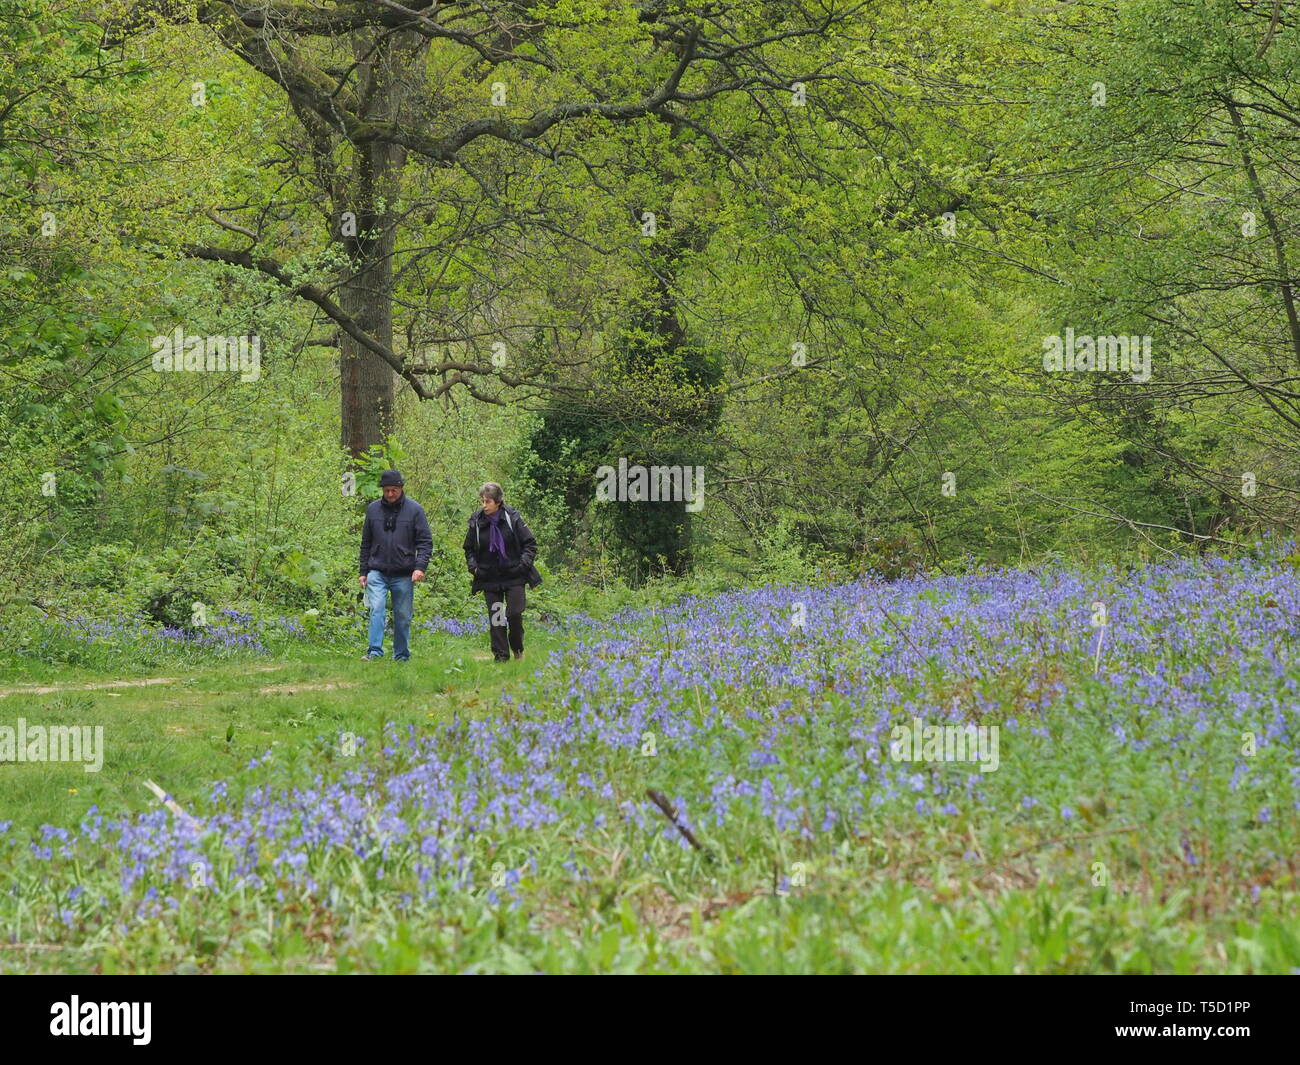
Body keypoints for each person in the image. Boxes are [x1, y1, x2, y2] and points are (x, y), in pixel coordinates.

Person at [463, 482, 542, 661]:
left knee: (514, 614)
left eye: (488, 502)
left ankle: (517, 648)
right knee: (497, 618)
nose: (484, 505)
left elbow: (530, 544)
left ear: (498, 502)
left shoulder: (512, 518)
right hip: (489, 577)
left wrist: (523, 565)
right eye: (482, 501)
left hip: (514, 575)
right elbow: (468, 549)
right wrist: (474, 568)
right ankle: (501, 656)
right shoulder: (476, 521)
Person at [358, 469, 432, 661]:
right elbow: (366, 542)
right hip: (377, 571)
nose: (390, 494)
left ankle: (401, 655)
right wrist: (363, 571)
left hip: (404, 573)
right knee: (377, 608)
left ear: (401, 488)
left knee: (402, 616)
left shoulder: (415, 510)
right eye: (387, 490)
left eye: (394, 490)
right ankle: (374, 652)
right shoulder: (373, 509)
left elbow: (425, 542)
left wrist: (420, 567)